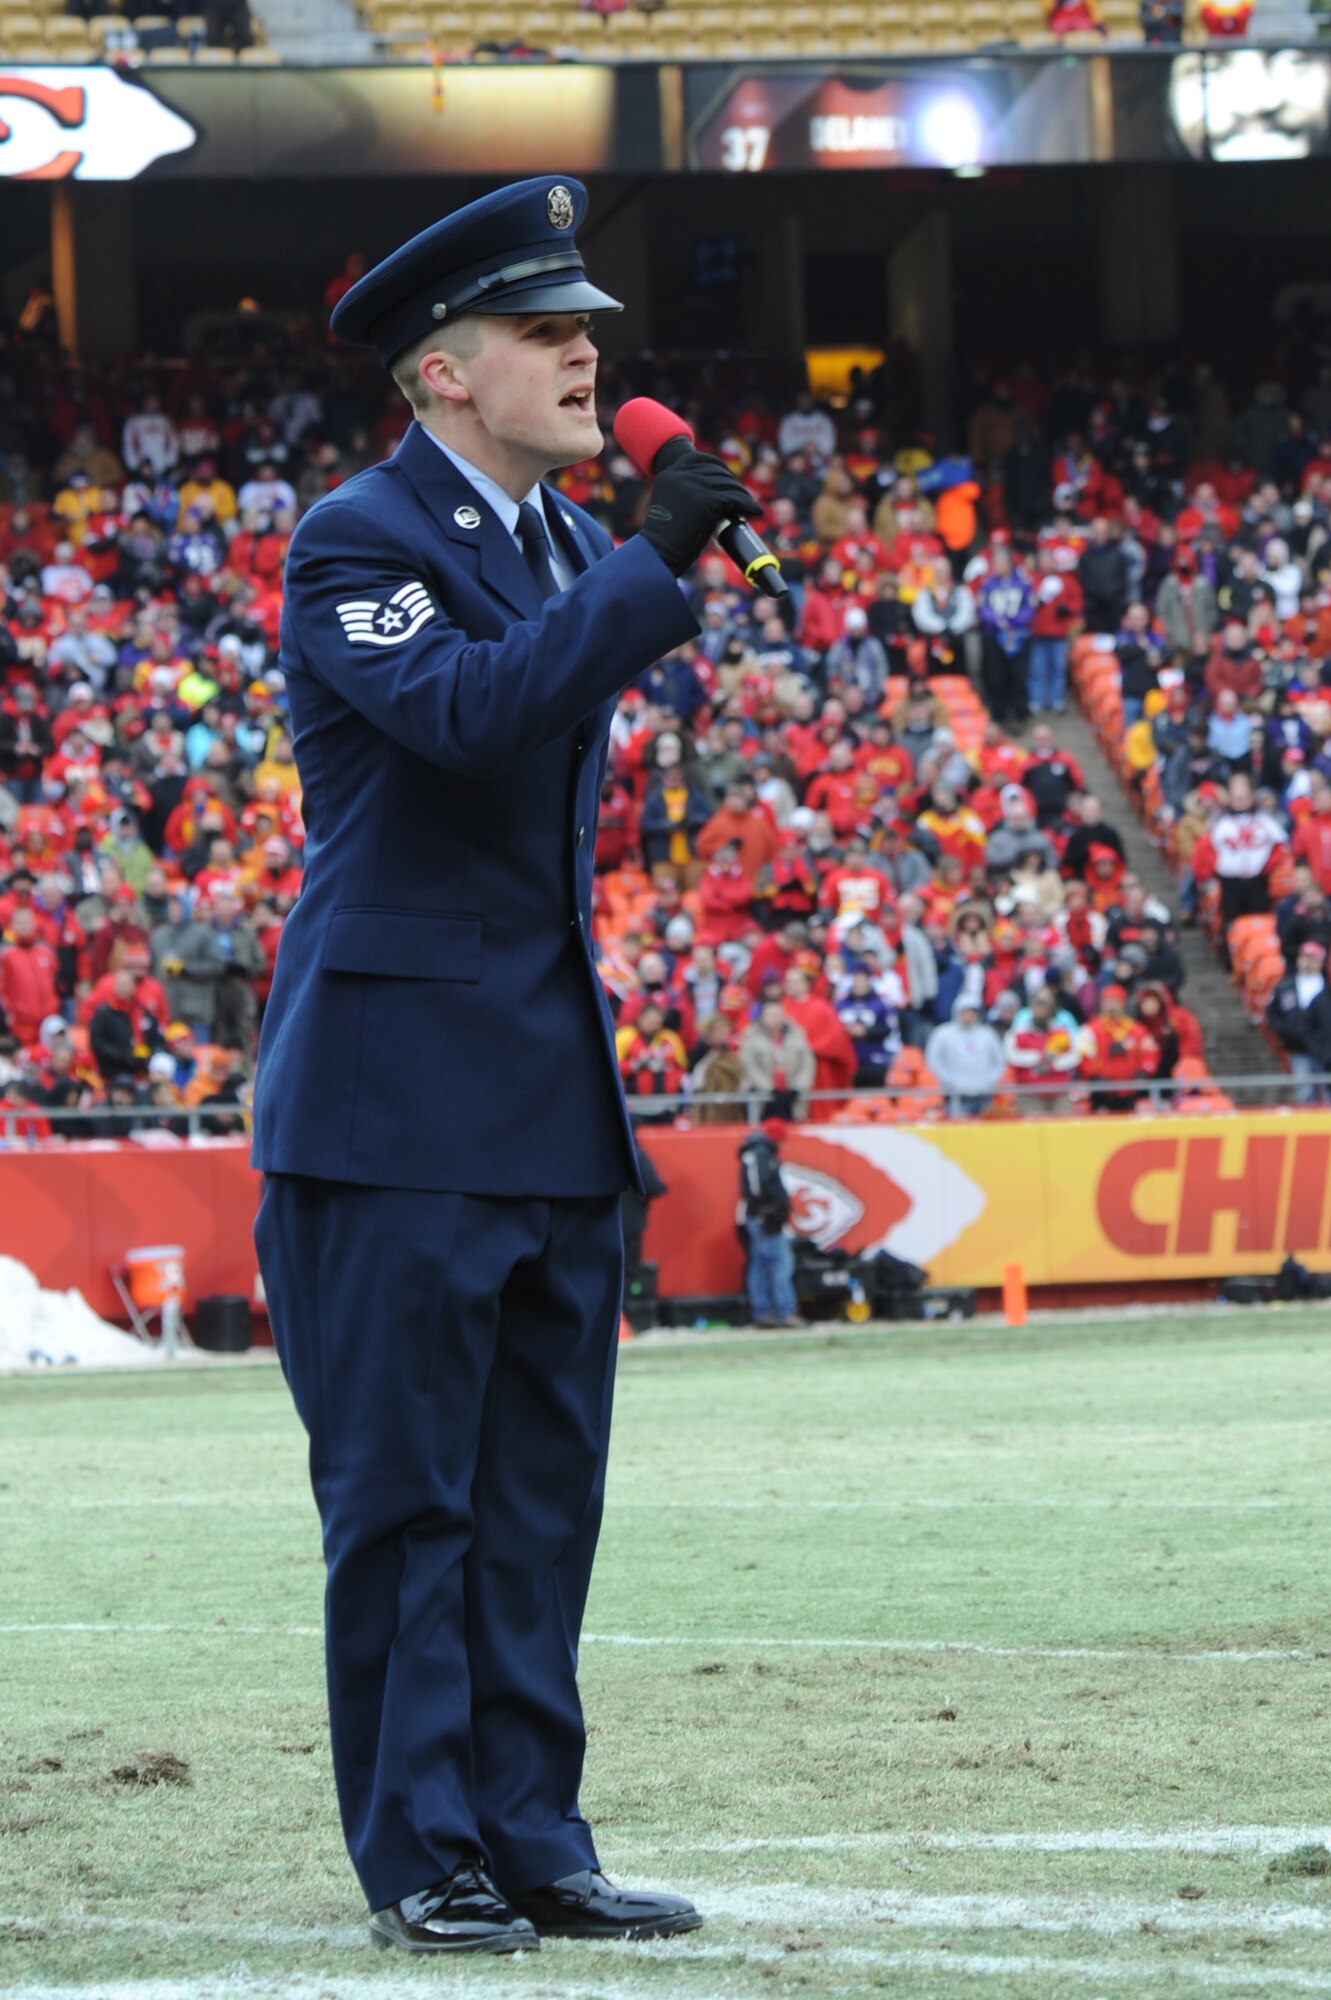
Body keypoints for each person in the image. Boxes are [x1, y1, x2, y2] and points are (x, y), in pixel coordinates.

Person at [250, 180, 749, 1957]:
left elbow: (540, 685)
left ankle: (535, 1831)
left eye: (585, 330)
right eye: (550, 334)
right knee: (410, 1502)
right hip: (391, 1100)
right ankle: (424, 1854)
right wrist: (650, 566)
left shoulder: (553, 550)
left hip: (539, 1085)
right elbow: (470, 716)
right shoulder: (352, 538)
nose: (586, 355)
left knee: (539, 1501)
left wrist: (623, 569)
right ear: (444, 371)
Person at [738, 1117, 800, 1328]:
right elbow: (758, 1186)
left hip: (758, 1216)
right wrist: (770, 1208)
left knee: (761, 1264)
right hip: (764, 1217)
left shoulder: (756, 1153)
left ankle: (763, 1311)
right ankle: (783, 1310)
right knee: (780, 1262)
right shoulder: (761, 1154)